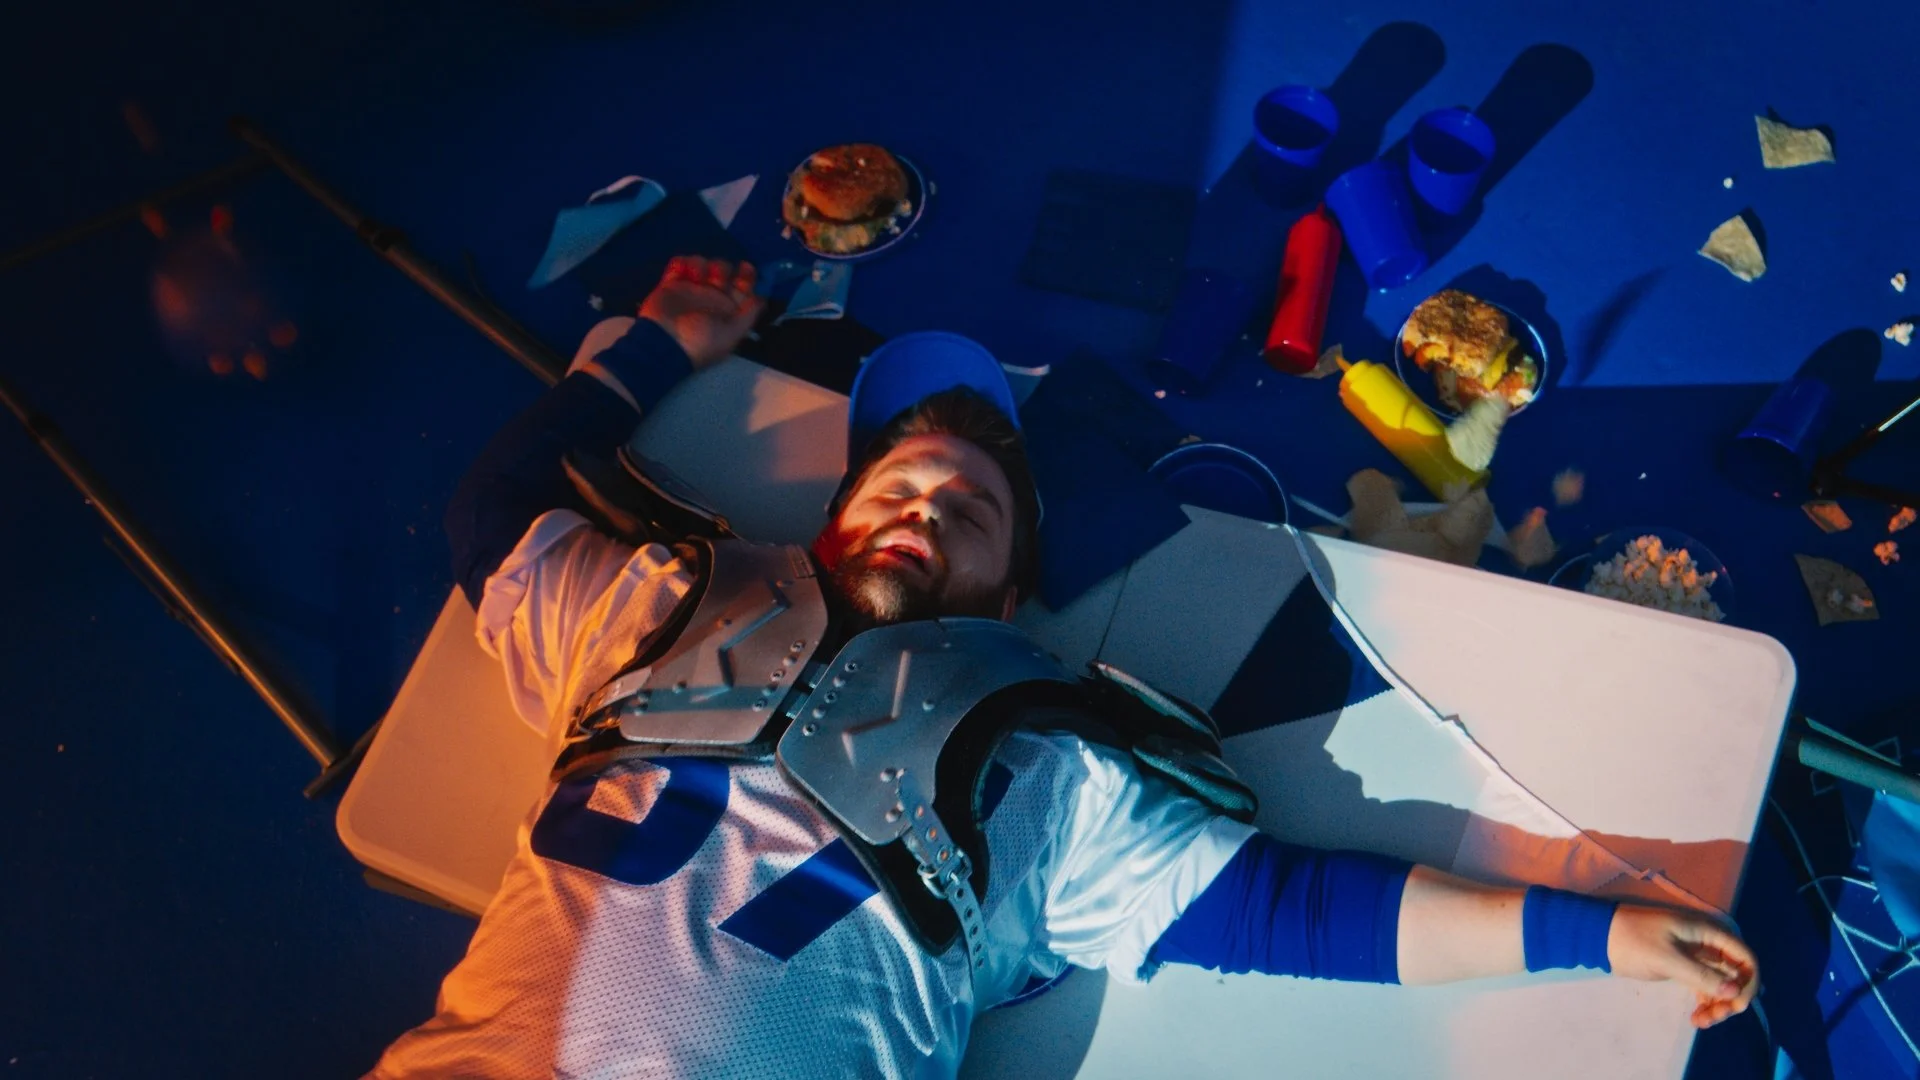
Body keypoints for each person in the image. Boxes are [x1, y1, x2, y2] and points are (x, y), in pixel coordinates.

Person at [369, 256, 1758, 1079]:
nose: (924, 505)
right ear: (832, 518)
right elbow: (494, 516)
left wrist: (1602, 935)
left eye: (969, 507)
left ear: (1012, 595)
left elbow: (1296, 915)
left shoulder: (1054, 774)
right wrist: (659, 345)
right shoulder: (646, 611)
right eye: (897, 483)